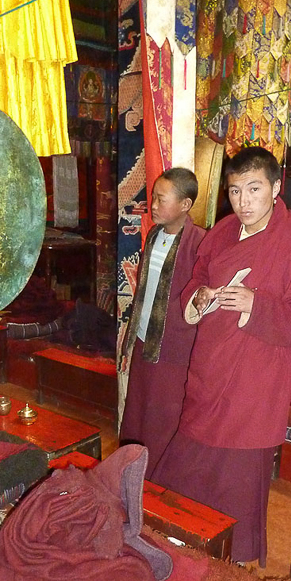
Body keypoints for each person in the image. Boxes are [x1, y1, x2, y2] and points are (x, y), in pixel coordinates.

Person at [152, 146, 291, 566]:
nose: (244, 202)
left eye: (254, 189)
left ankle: (232, 560)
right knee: (189, 458)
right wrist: (198, 296)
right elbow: (198, 277)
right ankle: (181, 538)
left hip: (256, 376)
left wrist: (257, 307)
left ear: (275, 188)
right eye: (235, 191)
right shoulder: (222, 231)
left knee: (236, 474)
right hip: (212, 366)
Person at [119, 167, 206, 480]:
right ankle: (129, 476)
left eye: (160, 199)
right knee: (137, 413)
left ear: (185, 205)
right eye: (153, 198)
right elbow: (143, 293)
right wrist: (132, 339)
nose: (152, 205)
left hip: (173, 350)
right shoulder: (154, 235)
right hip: (145, 341)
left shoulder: (200, 244)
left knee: (162, 420)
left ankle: (157, 485)